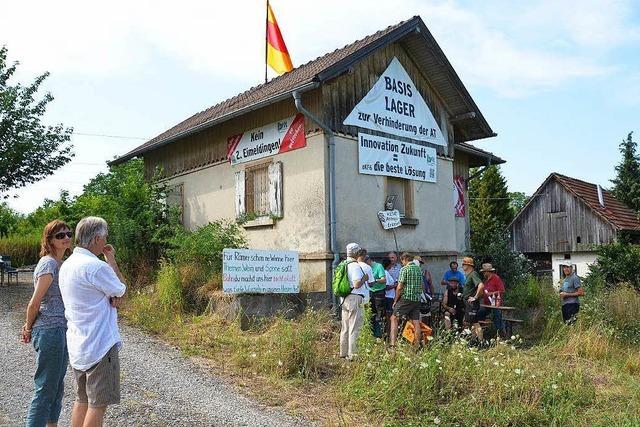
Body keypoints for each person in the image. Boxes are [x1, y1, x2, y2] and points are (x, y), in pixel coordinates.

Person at [59, 217, 127, 427]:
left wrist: (113, 296)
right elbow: (121, 290)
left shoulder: (68, 265)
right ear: (97, 238)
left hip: (78, 343)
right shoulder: (96, 267)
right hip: (99, 345)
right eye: (105, 236)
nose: (106, 240)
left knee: (82, 400)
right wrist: (111, 260)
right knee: (97, 405)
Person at [23, 220, 72, 427]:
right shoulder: (49, 263)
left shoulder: (63, 264)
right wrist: (27, 327)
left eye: (68, 234)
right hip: (50, 330)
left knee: (57, 387)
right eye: (60, 236)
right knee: (45, 388)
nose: (66, 238)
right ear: (49, 240)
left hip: (62, 329)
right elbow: (35, 303)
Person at [339, 243, 369, 360]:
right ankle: (353, 355)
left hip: (344, 298)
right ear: (356, 253)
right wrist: (364, 279)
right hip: (355, 297)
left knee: (345, 326)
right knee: (355, 327)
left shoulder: (343, 264)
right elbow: (356, 284)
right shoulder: (354, 266)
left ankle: (343, 352)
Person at [390, 253, 423, 348]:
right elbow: (421, 286)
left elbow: (399, 287)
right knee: (416, 321)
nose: (402, 263)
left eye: (402, 261)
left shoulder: (404, 269)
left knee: (394, 318)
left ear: (404, 259)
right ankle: (417, 345)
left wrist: (395, 300)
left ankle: (393, 344)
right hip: (417, 299)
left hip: (406, 298)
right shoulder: (419, 269)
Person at [478, 263, 506, 336]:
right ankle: (482, 331)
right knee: (480, 313)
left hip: (496, 303)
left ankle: (499, 333)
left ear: (488, 272)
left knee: (497, 316)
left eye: (484, 272)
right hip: (487, 304)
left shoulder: (496, 278)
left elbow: (502, 290)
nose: (483, 273)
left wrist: (492, 293)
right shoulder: (486, 280)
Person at [461, 257, 485, 341]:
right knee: (469, 322)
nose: (462, 265)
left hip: (472, 303)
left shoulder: (473, 274)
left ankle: (481, 342)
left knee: (474, 323)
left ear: (469, 265)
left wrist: (475, 297)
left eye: (464, 264)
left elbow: (481, 285)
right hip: (468, 303)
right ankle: (473, 340)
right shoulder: (469, 275)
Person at [364, 254, 387, 338]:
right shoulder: (366, 268)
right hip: (369, 292)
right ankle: (372, 335)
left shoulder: (378, 266)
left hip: (379, 292)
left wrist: (374, 280)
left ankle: (382, 335)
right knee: (370, 314)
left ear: (368, 260)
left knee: (380, 314)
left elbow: (384, 279)